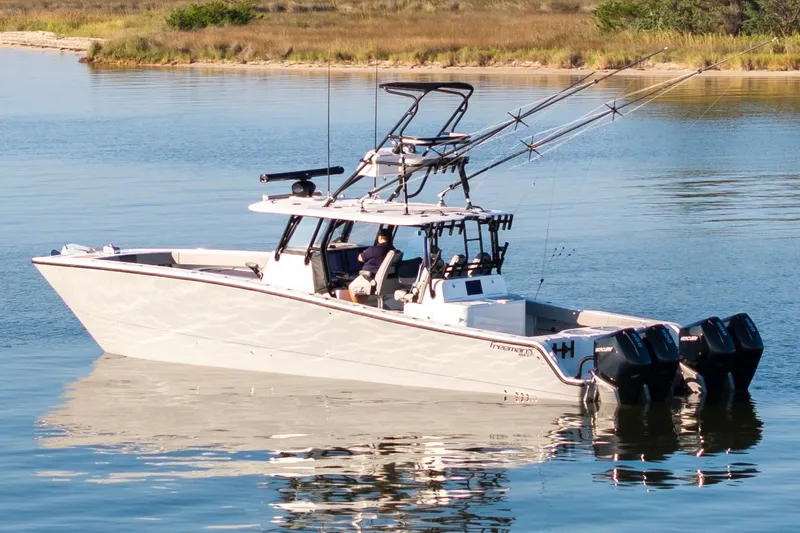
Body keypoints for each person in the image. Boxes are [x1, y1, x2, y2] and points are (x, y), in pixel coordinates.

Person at [348, 229, 393, 304]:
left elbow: (360, 258)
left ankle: (359, 307)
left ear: (380, 237)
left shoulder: (374, 249)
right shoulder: (393, 250)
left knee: (352, 287)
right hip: (385, 280)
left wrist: (364, 252)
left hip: (370, 278)